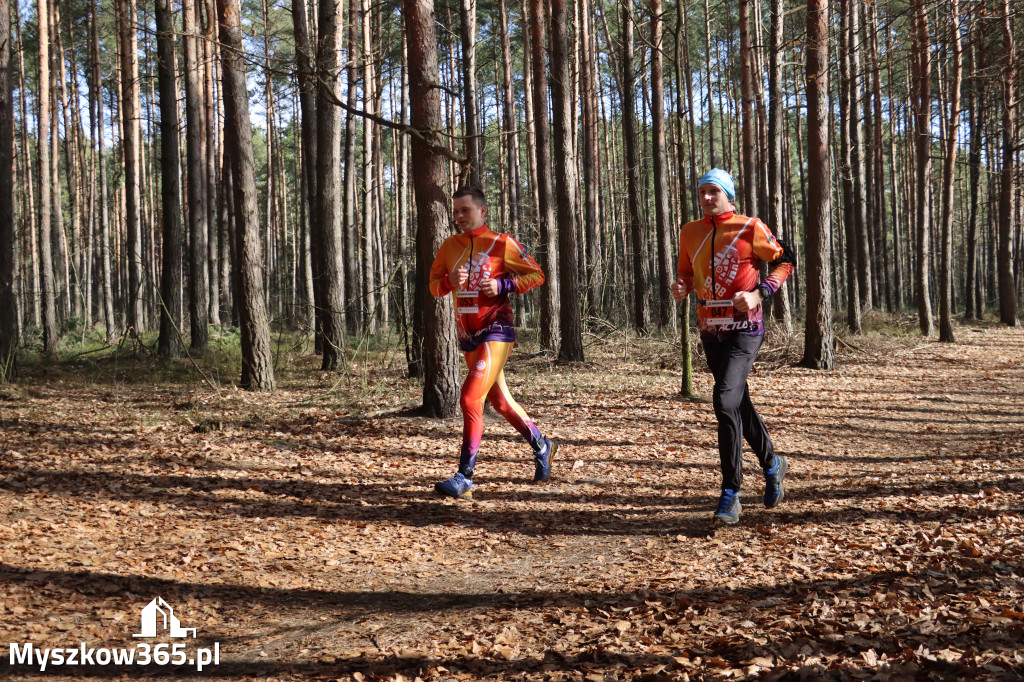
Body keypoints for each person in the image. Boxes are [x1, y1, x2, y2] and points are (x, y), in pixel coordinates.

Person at [671, 169, 795, 524]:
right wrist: (682, 287)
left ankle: (731, 492)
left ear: (728, 195)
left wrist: (759, 293)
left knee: (723, 399)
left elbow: (786, 260)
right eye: (702, 192)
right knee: (737, 401)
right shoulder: (690, 231)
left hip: (745, 330)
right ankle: (772, 464)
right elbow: (687, 274)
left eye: (714, 192)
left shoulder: (750, 226)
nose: (707, 198)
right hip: (711, 329)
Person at [428, 186, 557, 499]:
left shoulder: (501, 243)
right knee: (499, 402)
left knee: (471, 399)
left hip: (497, 330)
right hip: (468, 336)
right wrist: (448, 282)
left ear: (481, 211)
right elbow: (434, 287)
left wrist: (503, 283)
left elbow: (536, 274)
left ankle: (464, 477)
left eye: (465, 211)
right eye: (455, 211)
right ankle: (542, 445)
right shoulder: (448, 247)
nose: (459, 217)